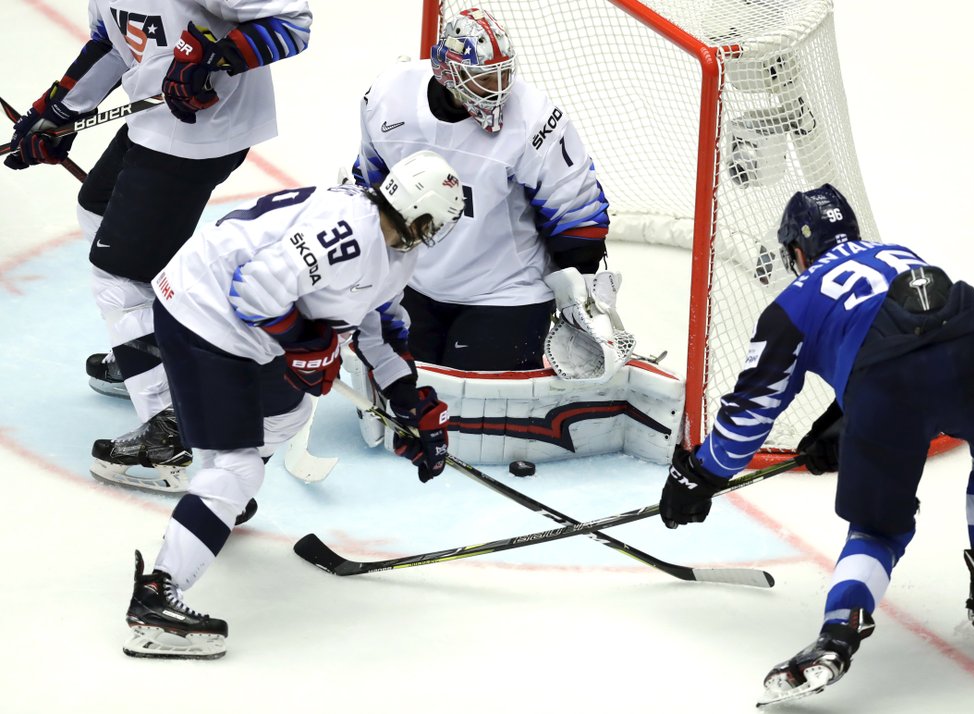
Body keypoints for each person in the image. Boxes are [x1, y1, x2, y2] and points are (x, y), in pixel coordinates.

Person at [657, 184, 974, 705]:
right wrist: (844, 415)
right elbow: (916, 334)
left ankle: (837, 637)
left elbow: (749, 417)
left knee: (878, 530)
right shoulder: (896, 253)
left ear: (797, 252)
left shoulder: (792, 303)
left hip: (889, 395)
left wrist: (697, 476)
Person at [123, 150, 465, 659]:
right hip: (204, 313)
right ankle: (155, 599)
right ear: (422, 218)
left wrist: (407, 399)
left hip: (244, 328)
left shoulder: (393, 249)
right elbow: (256, 292)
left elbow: (379, 325)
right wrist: (308, 343)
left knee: (288, 414)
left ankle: (214, 508)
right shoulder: (350, 232)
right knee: (238, 468)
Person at [4, 0, 312, 492]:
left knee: (119, 278)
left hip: (203, 133)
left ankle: (177, 435)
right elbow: (113, 42)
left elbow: (293, 24)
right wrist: (58, 111)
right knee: (99, 209)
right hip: (156, 122)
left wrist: (216, 59)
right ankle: (158, 352)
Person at [352, 7, 614, 373]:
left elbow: (577, 213)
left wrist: (580, 295)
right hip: (413, 282)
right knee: (404, 393)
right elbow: (372, 190)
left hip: (507, 293)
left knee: (477, 414)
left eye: (503, 74)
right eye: (485, 78)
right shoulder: (388, 97)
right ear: (449, 73)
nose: (500, 88)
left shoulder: (534, 119)